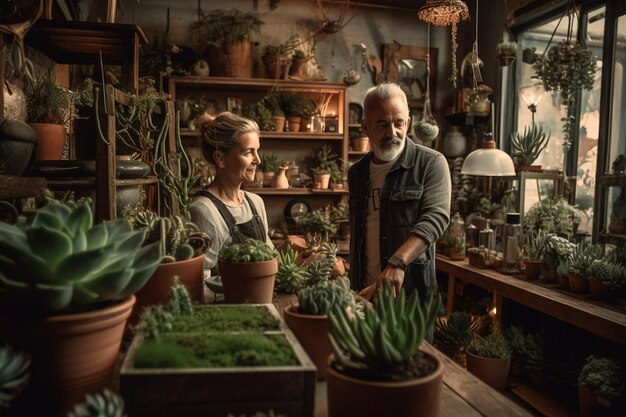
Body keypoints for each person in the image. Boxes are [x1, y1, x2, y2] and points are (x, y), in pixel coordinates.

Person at [348, 83, 451, 335]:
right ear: (365, 127)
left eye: (399, 123)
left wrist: (397, 263)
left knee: (412, 371)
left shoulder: (430, 163)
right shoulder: (357, 173)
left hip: (411, 301)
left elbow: (435, 218)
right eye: (382, 124)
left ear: (409, 122)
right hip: (364, 297)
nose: (392, 131)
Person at [189, 112, 273, 271]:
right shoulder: (203, 211)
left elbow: (269, 258)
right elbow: (200, 277)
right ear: (220, 159)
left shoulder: (255, 202)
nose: (258, 160)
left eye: (257, 151)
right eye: (248, 152)